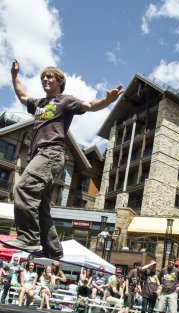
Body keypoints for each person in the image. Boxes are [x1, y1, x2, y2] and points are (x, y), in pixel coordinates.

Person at [5, 59, 123, 259]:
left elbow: (89, 105)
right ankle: (53, 248)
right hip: (40, 156)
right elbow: (22, 95)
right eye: (43, 77)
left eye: (49, 77)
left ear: (60, 81)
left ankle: (28, 237)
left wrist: (107, 101)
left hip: (50, 153)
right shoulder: (39, 104)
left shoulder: (65, 100)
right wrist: (15, 75)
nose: (45, 79)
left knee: (23, 188)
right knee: (41, 205)